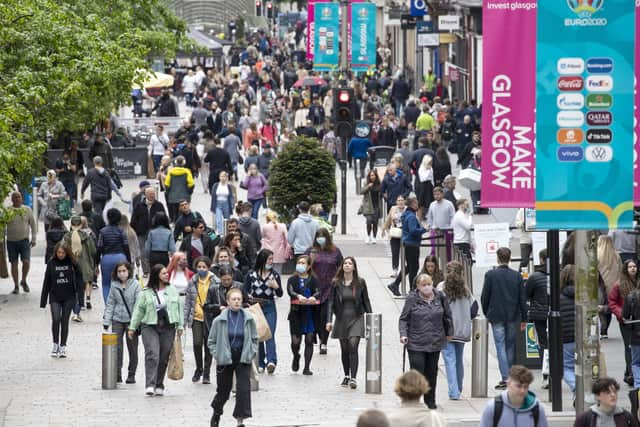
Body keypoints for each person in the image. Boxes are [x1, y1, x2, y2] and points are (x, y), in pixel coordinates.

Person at [128, 264, 184, 397]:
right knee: (153, 354)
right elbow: (138, 310)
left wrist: (180, 325)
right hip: (150, 325)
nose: (167, 275)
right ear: (156, 275)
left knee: (164, 356)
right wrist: (132, 327)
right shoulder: (145, 292)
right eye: (164, 273)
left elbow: (179, 309)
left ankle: (159, 384)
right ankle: (150, 384)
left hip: (168, 326)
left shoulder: (172, 290)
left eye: (167, 273)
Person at [399, 273, 452, 409]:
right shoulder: (412, 299)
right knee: (417, 373)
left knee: (431, 373)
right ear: (418, 286)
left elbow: (447, 316)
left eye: (429, 284)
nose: (427, 287)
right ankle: (413, 401)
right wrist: (403, 334)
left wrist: (449, 333)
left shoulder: (440, 296)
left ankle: (430, 402)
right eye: (424, 285)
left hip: (434, 342)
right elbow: (404, 318)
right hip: (416, 342)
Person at [208, 287, 258, 427]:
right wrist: (217, 354)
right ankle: (217, 412)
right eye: (234, 299)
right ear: (228, 301)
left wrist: (251, 351)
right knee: (224, 391)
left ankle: (240, 420)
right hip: (225, 357)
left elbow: (255, 338)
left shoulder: (248, 318)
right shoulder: (219, 320)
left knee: (243, 390)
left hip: (243, 356)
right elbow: (211, 341)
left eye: (239, 299)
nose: (236, 302)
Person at [480, 247, 527, 390]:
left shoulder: (490, 275)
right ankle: (509, 377)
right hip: (513, 315)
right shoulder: (517, 276)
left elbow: (484, 297)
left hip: (496, 315)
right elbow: (522, 299)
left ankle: (505, 377)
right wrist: (525, 318)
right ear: (510, 258)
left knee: (500, 345)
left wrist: (487, 313)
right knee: (510, 346)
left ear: (497, 258)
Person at [326, 256, 372, 389]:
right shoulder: (336, 283)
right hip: (341, 319)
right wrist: (329, 320)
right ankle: (346, 374)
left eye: (349, 263)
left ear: (354, 267)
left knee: (353, 345)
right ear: (342, 267)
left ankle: (354, 378)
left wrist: (371, 317)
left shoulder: (360, 282)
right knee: (345, 349)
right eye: (345, 263)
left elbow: (366, 301)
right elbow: (330, 302)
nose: (347, 265)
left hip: (356, 317)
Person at [439, 261, 477, 400]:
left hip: (446, 330)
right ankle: (458, 387)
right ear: (461, 273)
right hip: (462, 330)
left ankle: (454, 391)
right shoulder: (466, 290)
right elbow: (474, 309)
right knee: (459, 360)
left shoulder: (441, 288)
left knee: (450, 360)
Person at [40, 242, 82, 358]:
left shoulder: (72, 263)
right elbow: (46, 281)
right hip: (55, 296)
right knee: (56, 319)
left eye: (63, 252)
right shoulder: (51, 263)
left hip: (69, 296)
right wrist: (43, 301)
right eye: (59, 252)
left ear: (67, 253)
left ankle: (63, 346)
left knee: (64, 320)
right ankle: (55, 344)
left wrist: (81, 300)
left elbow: (79, 280)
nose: (61, 255)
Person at [243, 249, 283, 373]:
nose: (271, 261)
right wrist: (248, 298)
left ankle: (271, 360)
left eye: (272, 259)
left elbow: (280, 293)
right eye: (269, 259)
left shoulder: (274, 275)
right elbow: (245, 290)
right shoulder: (251, 274)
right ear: (263, 259)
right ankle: (260, 362)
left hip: (269, 306)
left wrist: (275, 287)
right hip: (256, 306)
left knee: (269, 333)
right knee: (258, 334)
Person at [103, 261, 141, 384]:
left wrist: (135, 323)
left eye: (124, 271)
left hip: (131, 320)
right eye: (119, 271)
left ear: (129, 271)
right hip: (117, 319)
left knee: (133, 348)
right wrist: (106, 320)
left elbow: (138, 305)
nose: (122, 273)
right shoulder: (114, 285)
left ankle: (131, 374)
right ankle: (117, 373)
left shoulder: (135, 285)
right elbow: (110, 303)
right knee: (116, 347)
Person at [307, 228, 343, 355]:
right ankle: (317, 335)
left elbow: (341, 266)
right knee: (315, 315)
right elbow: (303, 266)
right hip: (314, 288)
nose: (320, 239)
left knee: (326, 315)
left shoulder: (335, 251)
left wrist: (337, 279)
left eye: (323, 236)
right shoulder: (311, 251)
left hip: (329, 288)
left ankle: (324, 342)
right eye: (318, 236)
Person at [184, 256, 217, 384]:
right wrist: (184, 320)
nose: (201, 269)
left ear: (208, 268)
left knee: (209, 345)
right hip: (196, 317)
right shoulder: (192, 282)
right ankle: (199, 368)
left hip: (210, 317)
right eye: (199, 267)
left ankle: (207, 373)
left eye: (204, 267)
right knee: (197, 343)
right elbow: (187, 302)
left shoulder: (215, 281)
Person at [479, 365, 548, 427]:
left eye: (526, 387)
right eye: (518, 386)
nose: (522, 390)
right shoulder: (493, 407)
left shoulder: (537, 409)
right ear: (508, 384)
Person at [287, 255, 320, 375]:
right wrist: (297, 296)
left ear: (309, 266)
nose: (300, 265)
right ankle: (296, 355)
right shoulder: (292, 279)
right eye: (299, 262)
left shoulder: (313, 279)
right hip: (296, 313)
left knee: (309, 339)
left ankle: (307, 367)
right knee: (295, 341)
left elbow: (318, 291)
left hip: (310, 313)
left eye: (303, 263)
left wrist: (313, 297)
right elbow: (290, 290)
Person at [609, 259, 639, 386]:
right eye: (630, 267)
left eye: (635, 266)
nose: (633, 269)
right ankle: (631, 373)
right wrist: (621, 314)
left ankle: (630, 372)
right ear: (625, 269)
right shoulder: (619, 285)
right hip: (626, 322)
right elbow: (612, 302)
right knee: (629, 347)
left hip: (637, 319)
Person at [388, 196, 426, 296]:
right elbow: (413, 230)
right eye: (416, 203)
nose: (417, 205)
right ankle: (412, 289)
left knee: (409, 267)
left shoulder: (407, 214)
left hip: (408, 243)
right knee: (414, 267)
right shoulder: (411, 216)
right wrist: (424, 229)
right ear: (412, 204)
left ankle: (396, 284)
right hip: (412, 244)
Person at [63, 216, 96, 322]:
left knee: (72, 290)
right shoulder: (87, 236)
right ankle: (77, 312)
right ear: (81, 225)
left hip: (70, 266)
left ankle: (73, 312)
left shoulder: (66, 237)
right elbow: (93, 251)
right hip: (84, 266)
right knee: (79, 290)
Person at [131, 187, 167, 277]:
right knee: (143, 252)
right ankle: (146, 271)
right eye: (150, 194)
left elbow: (164, 218)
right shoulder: (139, 206)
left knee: (154, 251)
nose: (152, 196)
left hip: (155, 232)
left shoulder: (159, 205)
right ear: (146, 195)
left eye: (153, 194)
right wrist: (134, 230)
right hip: (141, 232)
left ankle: (154, 269)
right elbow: (134, 219)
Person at [5, 191, 36, 294]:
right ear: (12, 199)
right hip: (11, 241)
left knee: (26, 261)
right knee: (14, 263)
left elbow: (33, 224)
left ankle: (23, 280)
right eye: (15, 197)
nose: (17, 199)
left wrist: (34, 238)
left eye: (19, 197)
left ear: (22, 198)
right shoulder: (8, 211)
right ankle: (16, 285)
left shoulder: (27, 210)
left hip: (24, 240)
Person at [574, 377, 638, 427]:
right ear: (597, 396)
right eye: (607, 392)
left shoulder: (626, 416)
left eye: (615, 392)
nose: (613, 395)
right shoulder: (585, 418)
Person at [97, 208, 131, 303]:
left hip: (106, 258)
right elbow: (126, 246)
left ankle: (108, 307)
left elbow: (99, 247)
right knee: (122, 282)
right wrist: (129, 261)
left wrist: (96, 264)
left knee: (106, 284)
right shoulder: (121, 231)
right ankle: (121, 303)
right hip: (120, 257)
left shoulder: (103, 231)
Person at [526, 249, 549, 369]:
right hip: (555, 313)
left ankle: (545, 367)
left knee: (543, 342)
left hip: (539, 314)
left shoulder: (534, 277)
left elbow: (527, 293)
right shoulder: (560, 274)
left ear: (541, 259)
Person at [598, 235, 622, 338]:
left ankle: (602, 329)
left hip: (601, 286)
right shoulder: (616, 256)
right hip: (613, 286)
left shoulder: (596, 255)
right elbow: (621, 271)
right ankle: (605, 329)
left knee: (600, 307)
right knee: (609, 307)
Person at [559, 264, 576, 396]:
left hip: (566, 337)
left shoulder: (559, 298)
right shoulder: (585, 295)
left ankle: (577, 388)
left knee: (566, 367)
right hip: (583, 337)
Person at [164, 155, 195, 222]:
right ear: (184, 162)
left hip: (173, 197)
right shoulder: (187, 172)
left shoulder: (170, 172)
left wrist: (169, 193)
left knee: (175, 213)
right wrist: (189, 193)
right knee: (183, 213)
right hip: (185, 196)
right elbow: (191, 184)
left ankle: (175, 224)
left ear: (175, 162)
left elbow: (166, 184)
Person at [383, 195, 406, 278]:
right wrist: (384, 229)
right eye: (399, 200)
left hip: (405, 233)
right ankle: (395, 270)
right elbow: (388, 219)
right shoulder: (393, 208)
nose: (400, 202)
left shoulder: (407, 209)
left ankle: (405, 269)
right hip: (395, 233)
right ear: (396, 202)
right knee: (395, 252)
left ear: (405, 201)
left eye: (402, 200)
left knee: (406, 253)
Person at [210, 171, 236, 236]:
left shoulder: (229, 186)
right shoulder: (215, 185)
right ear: (219, 177)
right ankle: (220, 234)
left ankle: (227, 233)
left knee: (227, 220)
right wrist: (212, 206)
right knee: (218, 220)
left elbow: (231, 196)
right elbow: (213, 196)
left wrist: (233, 205)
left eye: (224, 176)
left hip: (226, 203)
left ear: (227, 178)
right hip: (218, 204)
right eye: (221, 176)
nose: (223, 178)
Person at [361, 169, 381, 244]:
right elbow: (361, 191)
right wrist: (368, 186)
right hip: (368, 206)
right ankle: (368, 236)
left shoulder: (379, 184)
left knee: (375, 222)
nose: (372, 177)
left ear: (376, 176)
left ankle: (374, 237)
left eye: (373, 175)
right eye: (371, 175)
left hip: (376, 206)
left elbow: (382, 193)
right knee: (369, 221)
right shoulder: (366, 183)